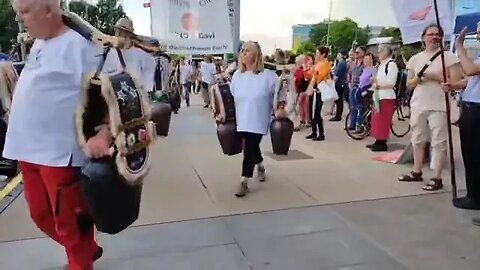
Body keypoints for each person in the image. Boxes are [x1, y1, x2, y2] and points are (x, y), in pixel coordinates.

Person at [4, 0, 109, 269]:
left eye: (25, 12)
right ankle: (85, 248)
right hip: (28, 150)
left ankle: (80, 257)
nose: (20, 19)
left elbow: (114, 94)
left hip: (60, 154)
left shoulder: (83, 47)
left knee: (71, 224)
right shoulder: (39, 42)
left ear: (49, 10)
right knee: (41, 215)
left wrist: (105, 134)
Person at [398, 24, 462, 191]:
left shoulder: (450, 58)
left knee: (438, 141)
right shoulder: (415, 59)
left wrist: (433, 76)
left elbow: (455, 82)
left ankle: (436, 176)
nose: (434, 37)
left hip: (440, 104)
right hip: (419, 103)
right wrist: (418, 78)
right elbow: (409, 85)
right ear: (423, 37)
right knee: (417, 138)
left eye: (437, 34)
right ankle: (416, 171)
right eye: (431, 34)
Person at [230, 41, 286, 197]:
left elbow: (280, 93)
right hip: (242, 118)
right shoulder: (237, 76)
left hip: (259, 118)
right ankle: (260, 164)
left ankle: (244, 180)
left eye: (248, 50)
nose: (244, 53)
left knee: (249, 148)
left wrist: (281, 108)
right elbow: (233, 97)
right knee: (251, 147)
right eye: (243, 50)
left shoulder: (268, 76)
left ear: (257, 54)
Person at [442, 23, 480, 209]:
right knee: (470, 153)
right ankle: (474, 194)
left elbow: (471, 70)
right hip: (471, 107)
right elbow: (472, 79)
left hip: (478, 110)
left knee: (475, 154)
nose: (478, 32)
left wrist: (459, 47)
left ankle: (476, 196)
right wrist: (454, 85)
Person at [103, 17, 156, 94]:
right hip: (115, 94)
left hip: (135, 96)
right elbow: (105, 73)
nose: (117, 34)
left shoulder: (141, 54)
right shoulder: (110, 52)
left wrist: (145, 93)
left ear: (129, 34)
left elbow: (149, 74)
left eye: (121, 32)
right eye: (116, 31)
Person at [368, 46, 399, 151]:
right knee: (377, 120)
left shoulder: (391, 64)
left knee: (383, 120)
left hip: (386, 96)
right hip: (378, 96)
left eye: (380, 51)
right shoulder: (381, 65)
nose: (378, 53)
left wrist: (378, 85)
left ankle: (382, 142)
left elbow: (391, 82)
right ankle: (378, 140)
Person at [306, 46, 332, 141]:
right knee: (312, 111)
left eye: (317, 53)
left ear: (323, 54)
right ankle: (314, 131)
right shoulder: (318, 64)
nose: (316, 55)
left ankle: (321, 133)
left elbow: (319, 76)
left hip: (320, 90)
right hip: (315, 90)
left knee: (317, 112)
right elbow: (313, 76)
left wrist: (313, 72)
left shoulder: (325, 64)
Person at [348, 46, 366, 131]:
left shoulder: (365, 64)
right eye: (356, 52)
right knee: (352, 107)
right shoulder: (354, 63)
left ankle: (360, 125)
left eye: (358, 52)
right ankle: (352, 124)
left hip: (359, 88)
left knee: (360, 107)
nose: (356, 54)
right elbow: (350, 73)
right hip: (352, 87)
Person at [330, 51, 348, 121]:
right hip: (340, 83)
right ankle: (338, 114)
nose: (337, 56)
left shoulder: (342, 63)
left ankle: (338, 115)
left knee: (339, 100)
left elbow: (337, 74)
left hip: (340, 83)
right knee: (338, 100)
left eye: (339, 54)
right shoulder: (340, 63)